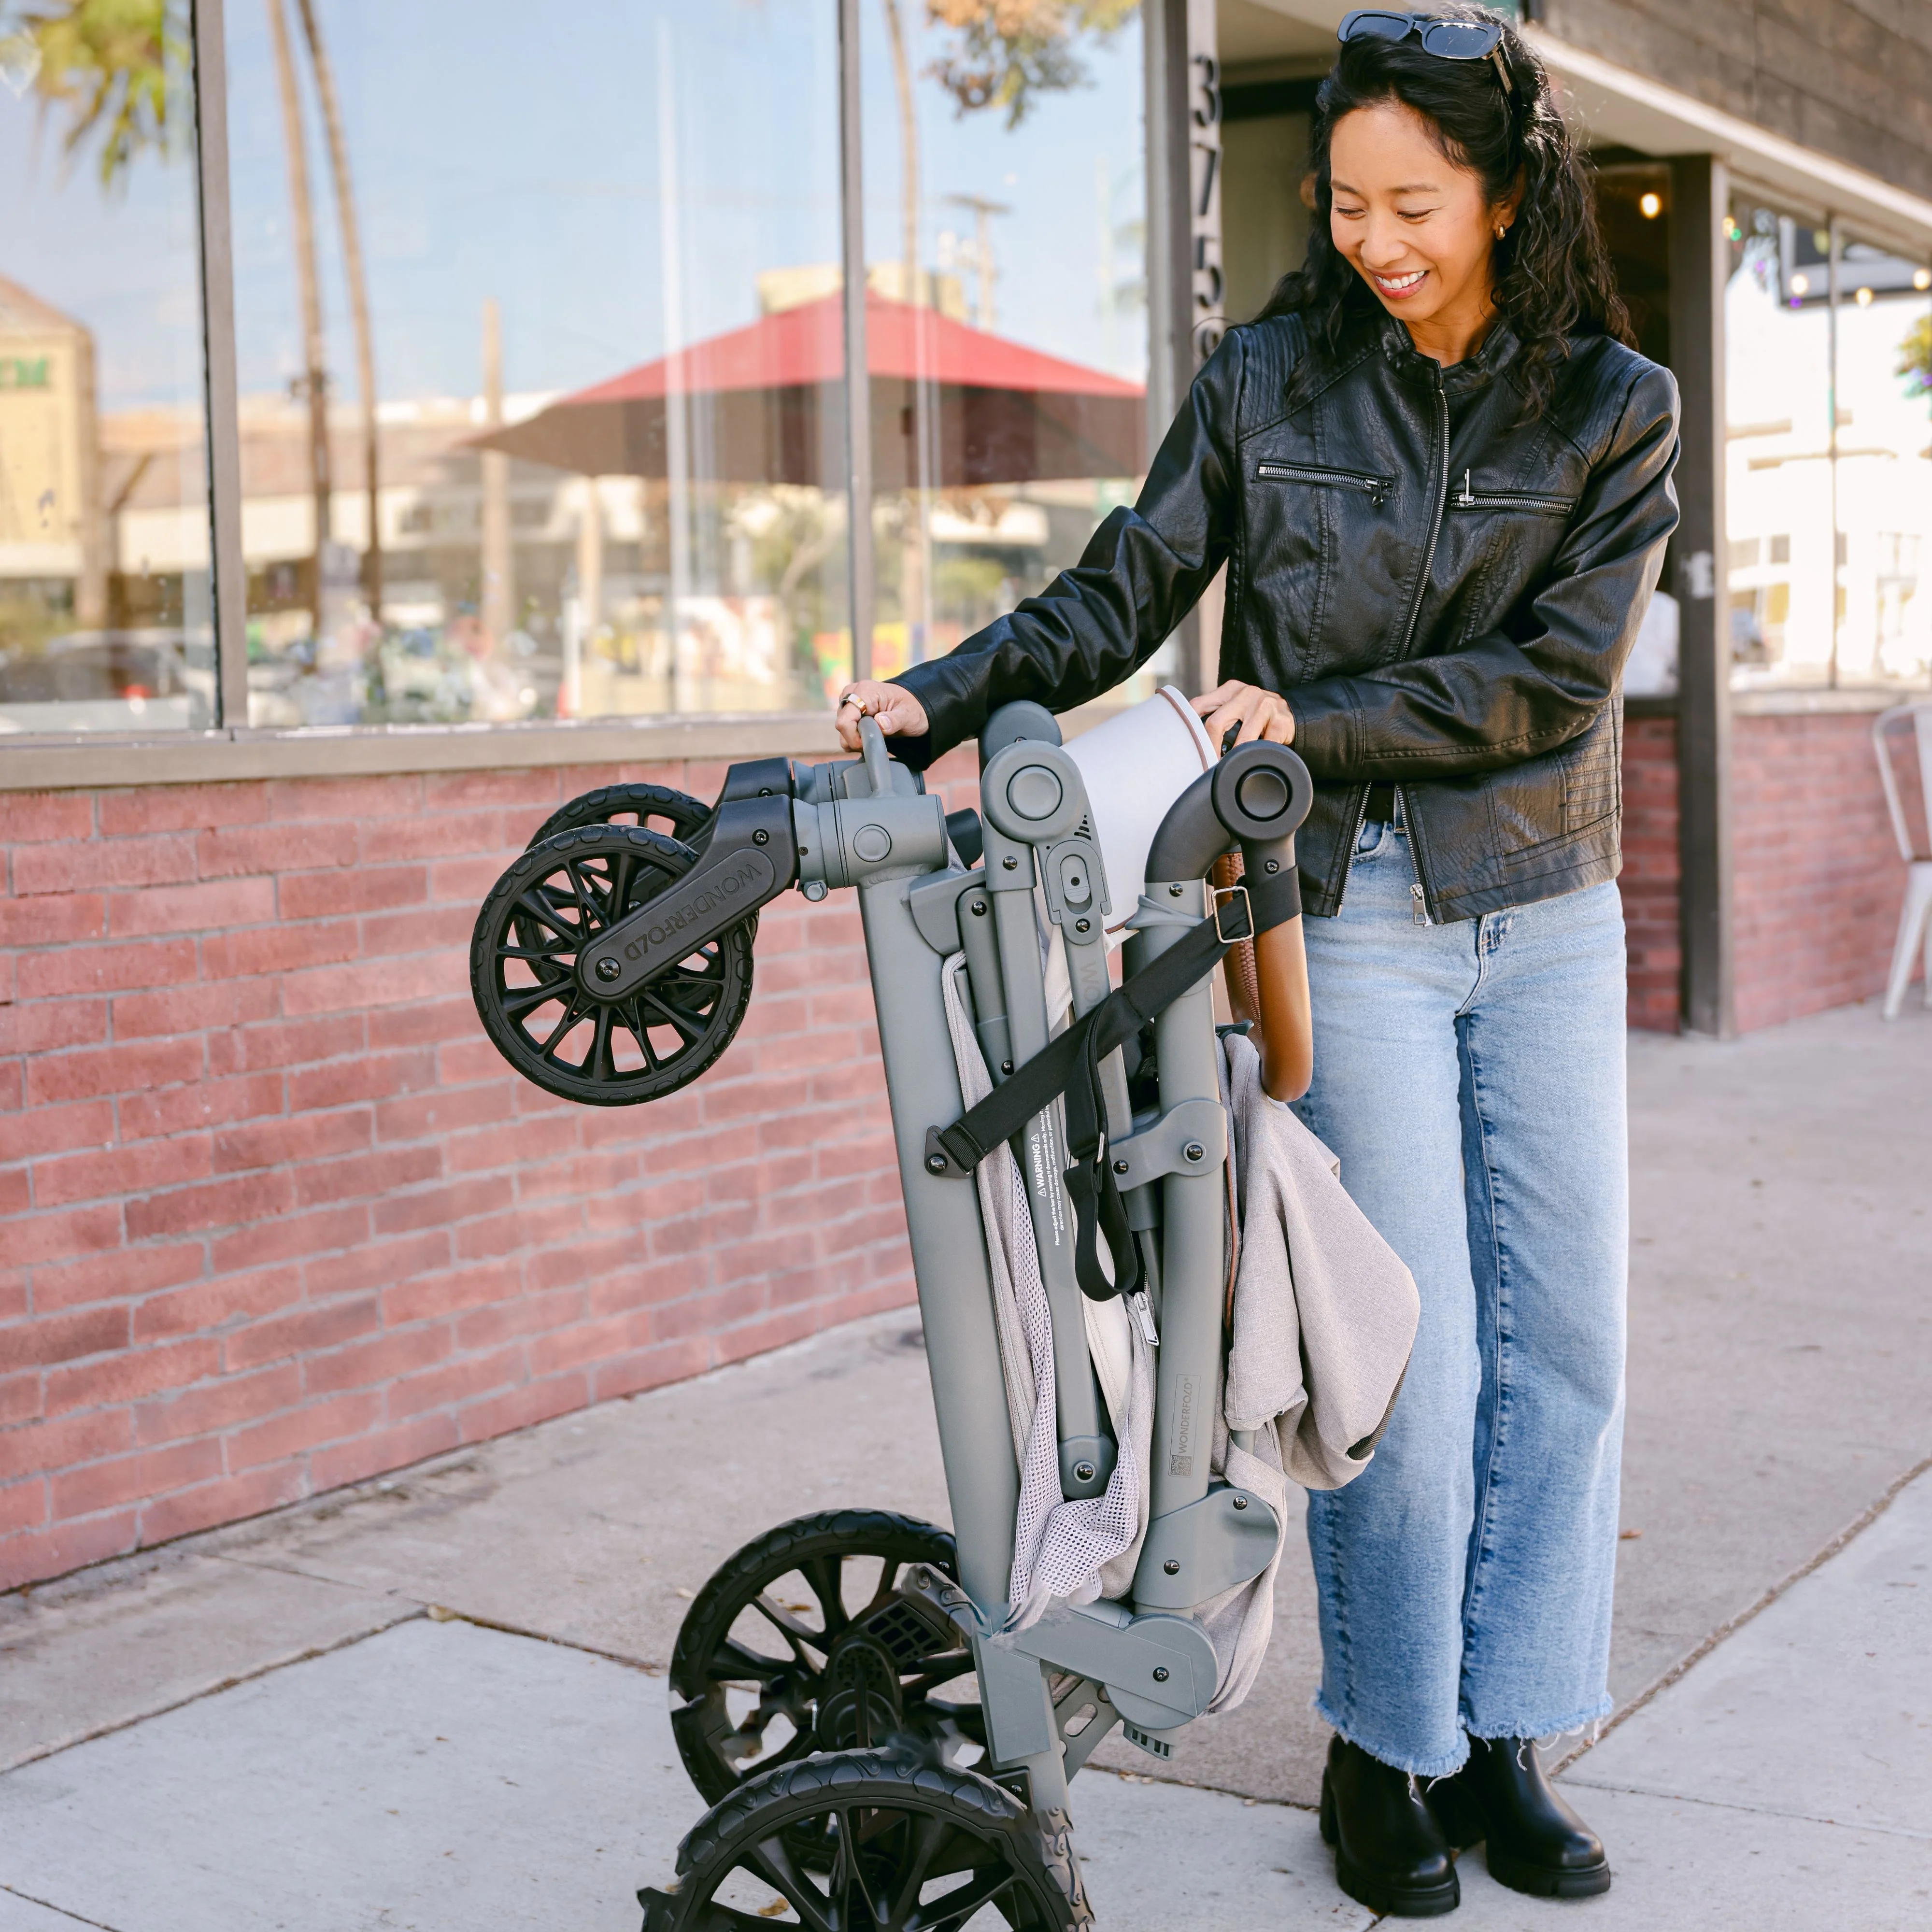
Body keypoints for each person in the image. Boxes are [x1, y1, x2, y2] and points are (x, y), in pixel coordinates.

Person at [835, 5, 1676, 1917]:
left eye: (1417, 202)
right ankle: (1387, 1748)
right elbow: (1127, 583)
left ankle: (1506, 1738)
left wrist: (1306, 712)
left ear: (1506, 190)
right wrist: (942, 691)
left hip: (1544, 909)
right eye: (1348, 201)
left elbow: (1555, 685)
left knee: (1569, 1349)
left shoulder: (1615, 405)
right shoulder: (1269, 381)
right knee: (1421, 1352)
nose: (1376, 237)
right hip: (1348, 914)